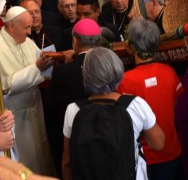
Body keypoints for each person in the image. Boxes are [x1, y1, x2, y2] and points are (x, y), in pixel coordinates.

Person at [62, 47, 165, 180]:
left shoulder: (73, 110)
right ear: (117, 71)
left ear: (86, 74)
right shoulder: (135, 105)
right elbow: (159, 144)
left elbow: (67, 161)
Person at [117, 19, 183, 179]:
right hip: (171, 150)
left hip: (143, 157)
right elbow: (174, 105)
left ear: (132, 46)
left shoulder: (124, 81)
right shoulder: (169, 72)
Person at [0, 6, 54, 175]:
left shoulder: (26, 41)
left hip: (35, 107)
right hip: (16, 115)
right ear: (11, 26)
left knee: (41, 153)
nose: (30, 33)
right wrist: (37, 68)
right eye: (26, 28)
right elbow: (8, 84)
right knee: (26, 157)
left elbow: (38, 69)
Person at [44, 19, 101, 177]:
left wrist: (67, 64)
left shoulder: (64, 72)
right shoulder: (108, 65)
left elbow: (50, 104)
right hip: (107, 130)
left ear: (75, 40)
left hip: (76, 136)